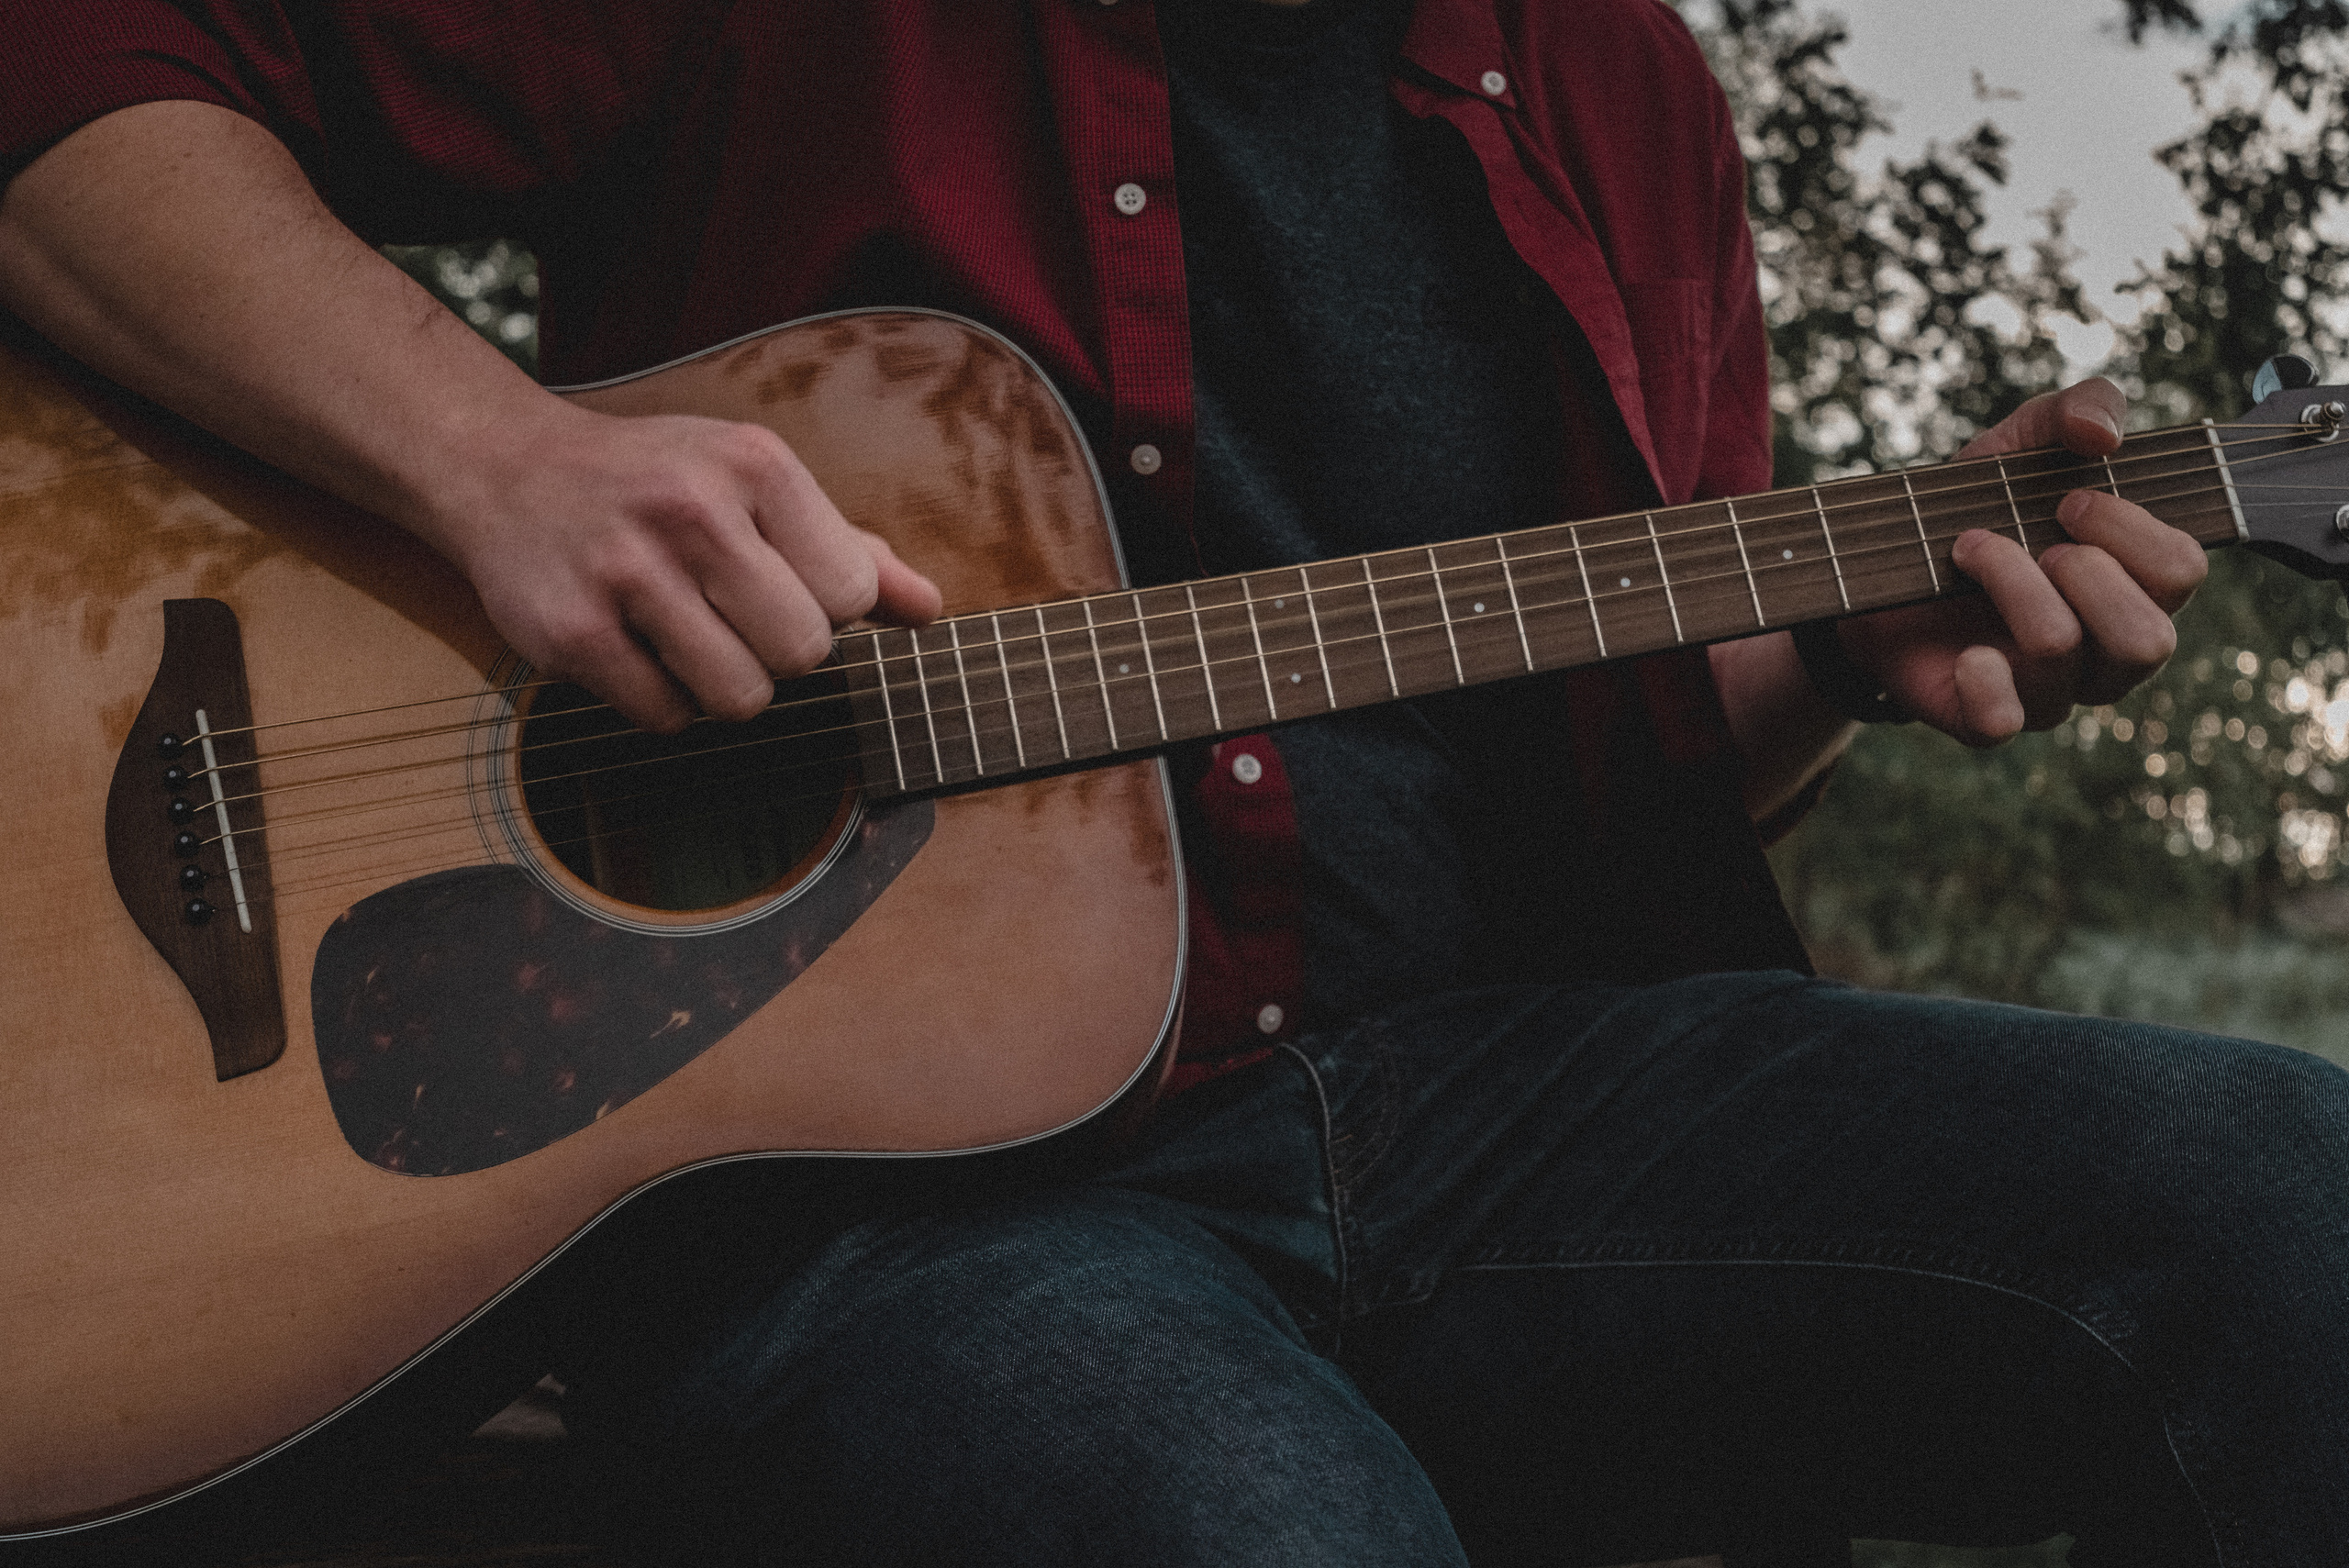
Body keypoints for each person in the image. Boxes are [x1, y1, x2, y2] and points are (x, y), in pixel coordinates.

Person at [1, 2, 2342, 1563]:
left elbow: (1623, 778)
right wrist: (494, 462)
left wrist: (1834, 652)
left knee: (2283, 1186)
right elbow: (71, 75)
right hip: (906, 1203)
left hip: (1509, 1107)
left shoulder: (1619, 82)